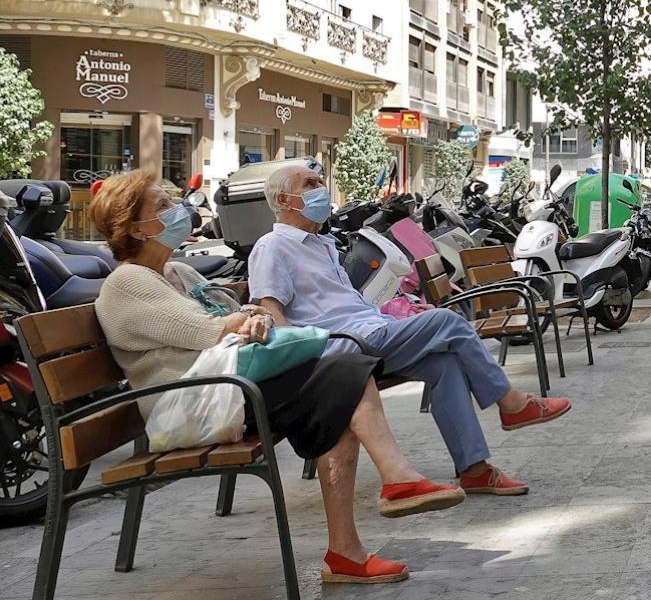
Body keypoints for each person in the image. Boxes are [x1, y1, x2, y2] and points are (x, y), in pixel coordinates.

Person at [91, 171, 457, 585]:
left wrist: (246, 318)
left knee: (343, 382)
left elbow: (242, 313)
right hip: (190, 405)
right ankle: (392, 487)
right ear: (136, 229)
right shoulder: (127, 282)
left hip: (223, 389)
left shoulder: (179, 273)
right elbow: (207, 329)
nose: (178, 211)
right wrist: (243, 319)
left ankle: (353, 545)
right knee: (344, 372)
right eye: (162, 207)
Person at [249, 165, 571, 497]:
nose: (321, 188)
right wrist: (307, 363)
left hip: (371, 333)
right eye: (310, 184)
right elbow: (271, 312)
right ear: (285, 200)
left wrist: (395, 315)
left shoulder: (322, 244)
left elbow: (347, 305)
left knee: (444, 363)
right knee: (448, 322)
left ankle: (474, 469)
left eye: (319, 181)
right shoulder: (272, 247)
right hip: (340, 350)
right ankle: (511, 402)